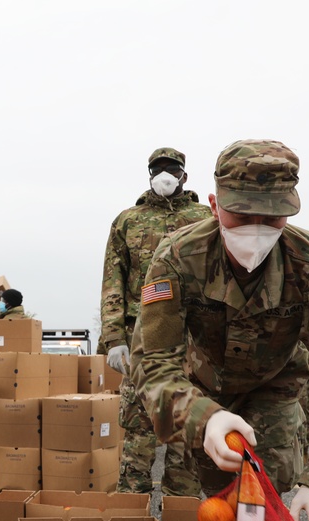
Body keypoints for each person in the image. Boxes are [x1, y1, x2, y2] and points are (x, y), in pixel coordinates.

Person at [131, 139, 309, 521]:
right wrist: (202, 416)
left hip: (275, 384)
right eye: (241, 213)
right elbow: (154, 362)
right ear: (213, 204)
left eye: (272, 215)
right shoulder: (178, 257)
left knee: (269, 487)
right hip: (203, 386)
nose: (256, 227)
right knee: (219, 493)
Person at [101, 147, 210, 496]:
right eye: (158, 169)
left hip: (193, 340)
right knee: (138, 431)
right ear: (150, 174)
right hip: (141, 340)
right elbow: (112, 282)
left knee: (187, 428)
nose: (165, 174)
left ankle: (181, 520)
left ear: (184, 175)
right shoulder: (128, 221)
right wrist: (113, 338)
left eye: (172, 168)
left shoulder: (206, 218)